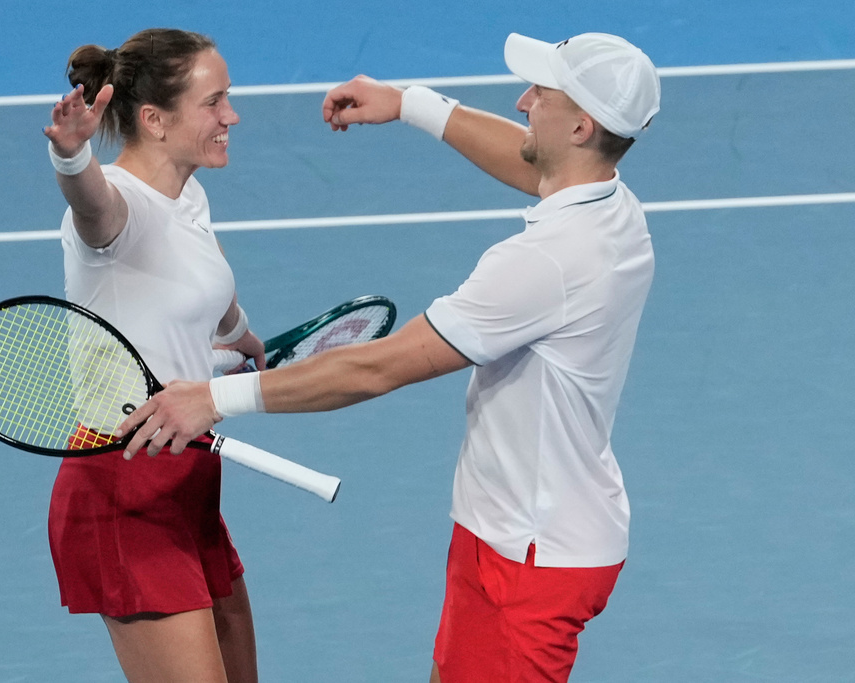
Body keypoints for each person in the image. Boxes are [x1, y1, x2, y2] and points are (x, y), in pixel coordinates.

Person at [118, 31, 660, 683]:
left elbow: (381, 365)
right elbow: (534, 166)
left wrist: (212, 397)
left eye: (539, 94)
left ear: (580, 124)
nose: (521, 101)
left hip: (531, 557)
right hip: (526, 535)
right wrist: (407, 103)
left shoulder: (545, 263)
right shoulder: (610, 204)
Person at [42, 28, 266, 683]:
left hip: (189, 479)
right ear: (154, 120)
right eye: (215, 102)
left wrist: (244, 337)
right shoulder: (120, 210)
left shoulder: (186, 194)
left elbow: (209, 284)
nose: (232, 116)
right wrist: (71, 160)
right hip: (123, 486)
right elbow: (94, 208)